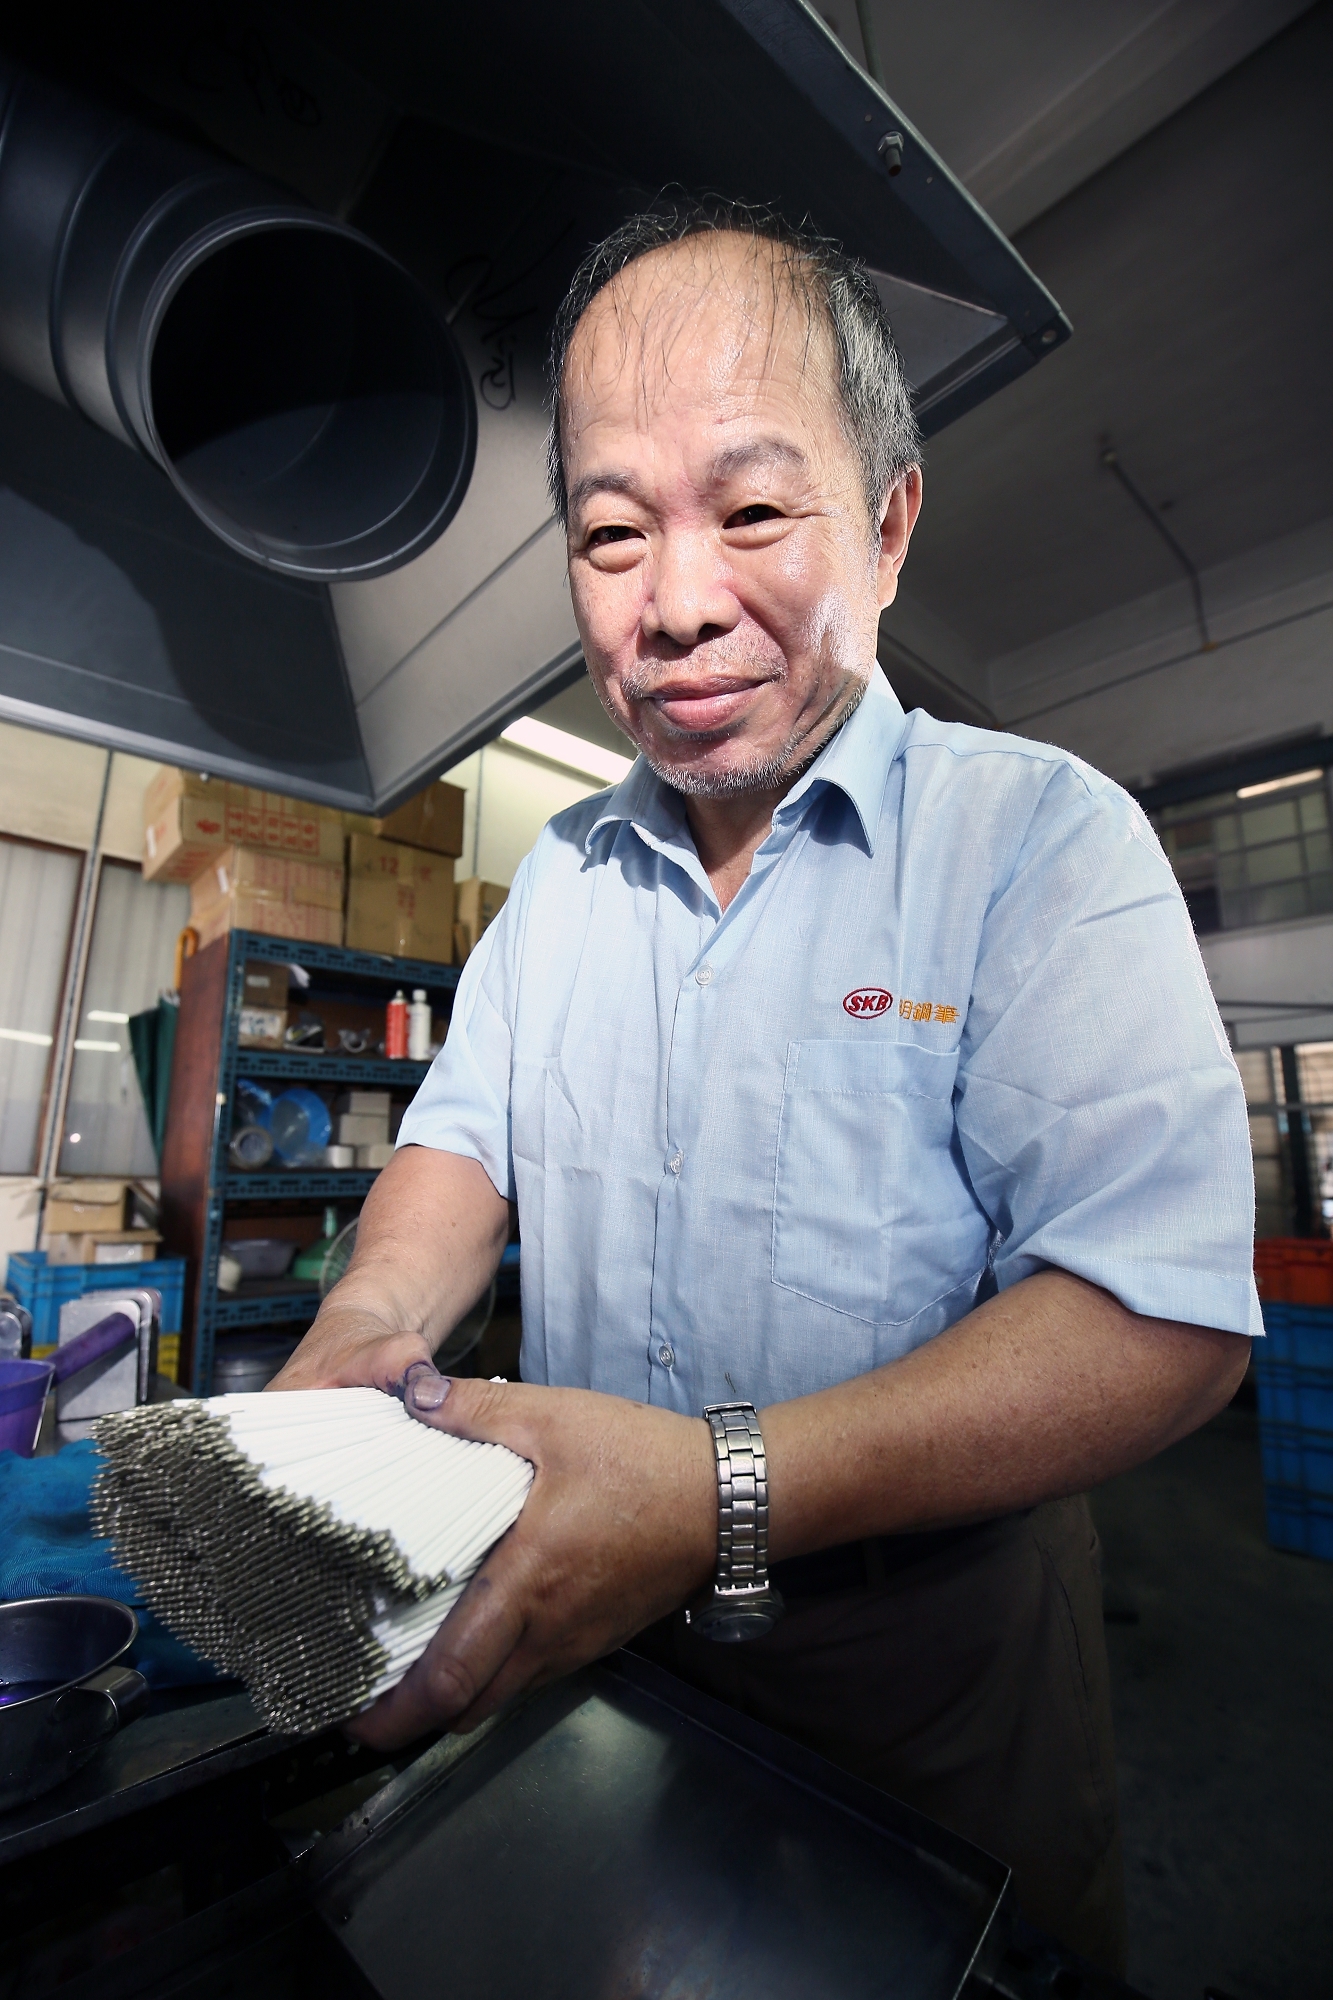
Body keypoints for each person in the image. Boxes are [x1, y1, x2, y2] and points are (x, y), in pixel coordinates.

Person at [273, 204, 1258, 1971]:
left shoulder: (1038, 843)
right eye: (610, 532)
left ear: (885, 527)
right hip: (582, 1628)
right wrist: (368, 1317)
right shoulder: (559, 883)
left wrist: (717, 1489)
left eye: (748, 512)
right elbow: (463, 1144)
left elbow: (1160, 1316)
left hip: (926, 1669)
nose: (673, 604)